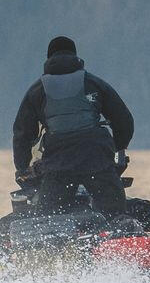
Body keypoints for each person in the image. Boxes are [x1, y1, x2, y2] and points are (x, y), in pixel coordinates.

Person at [11, 35, 136, 213]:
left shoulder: (37, 90)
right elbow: (124, 121)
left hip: (57, 164)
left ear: (49, 58)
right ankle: (117, 235)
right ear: (75, 56)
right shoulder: (93, 82)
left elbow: (22, 134)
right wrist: (116, 149)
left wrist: (22, 167)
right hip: (97, 159)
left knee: (49, 216)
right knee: (115, 213)